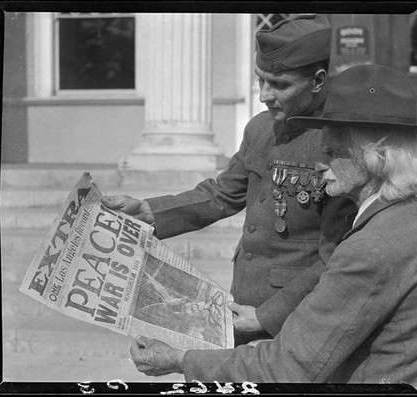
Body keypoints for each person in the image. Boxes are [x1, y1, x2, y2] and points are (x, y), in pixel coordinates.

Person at [128, 64, 417, 389]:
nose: (319, 163)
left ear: (376, 156)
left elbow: (288, 367)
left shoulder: (371, 249)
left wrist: (180, 358)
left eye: (334, 152)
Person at [102, 14, 356, 346]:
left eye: (279, 85)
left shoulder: (342, 143)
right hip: (242, 303)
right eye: (260, 80)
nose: (264, 95)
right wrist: (149, 212)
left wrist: (267, 317)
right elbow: (223, 194)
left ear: (318, 81)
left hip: (297, 317)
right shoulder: (261, 128)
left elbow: (337, 255)